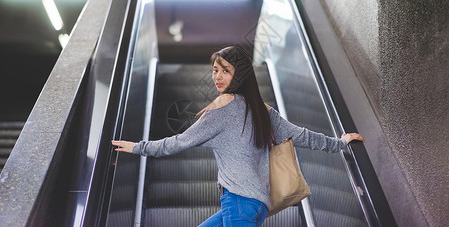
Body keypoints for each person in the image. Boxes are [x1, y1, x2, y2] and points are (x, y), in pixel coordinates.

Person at [112, 45, 364, 227]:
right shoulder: (262, 110)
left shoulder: (224, 108)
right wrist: (339, 143)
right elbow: (302, 136)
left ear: (239, 75)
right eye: (214, 70)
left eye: (225, 71)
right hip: (257, 206)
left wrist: (137, 147)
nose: (217, 77)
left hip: (239, 202)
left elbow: (179, 142)